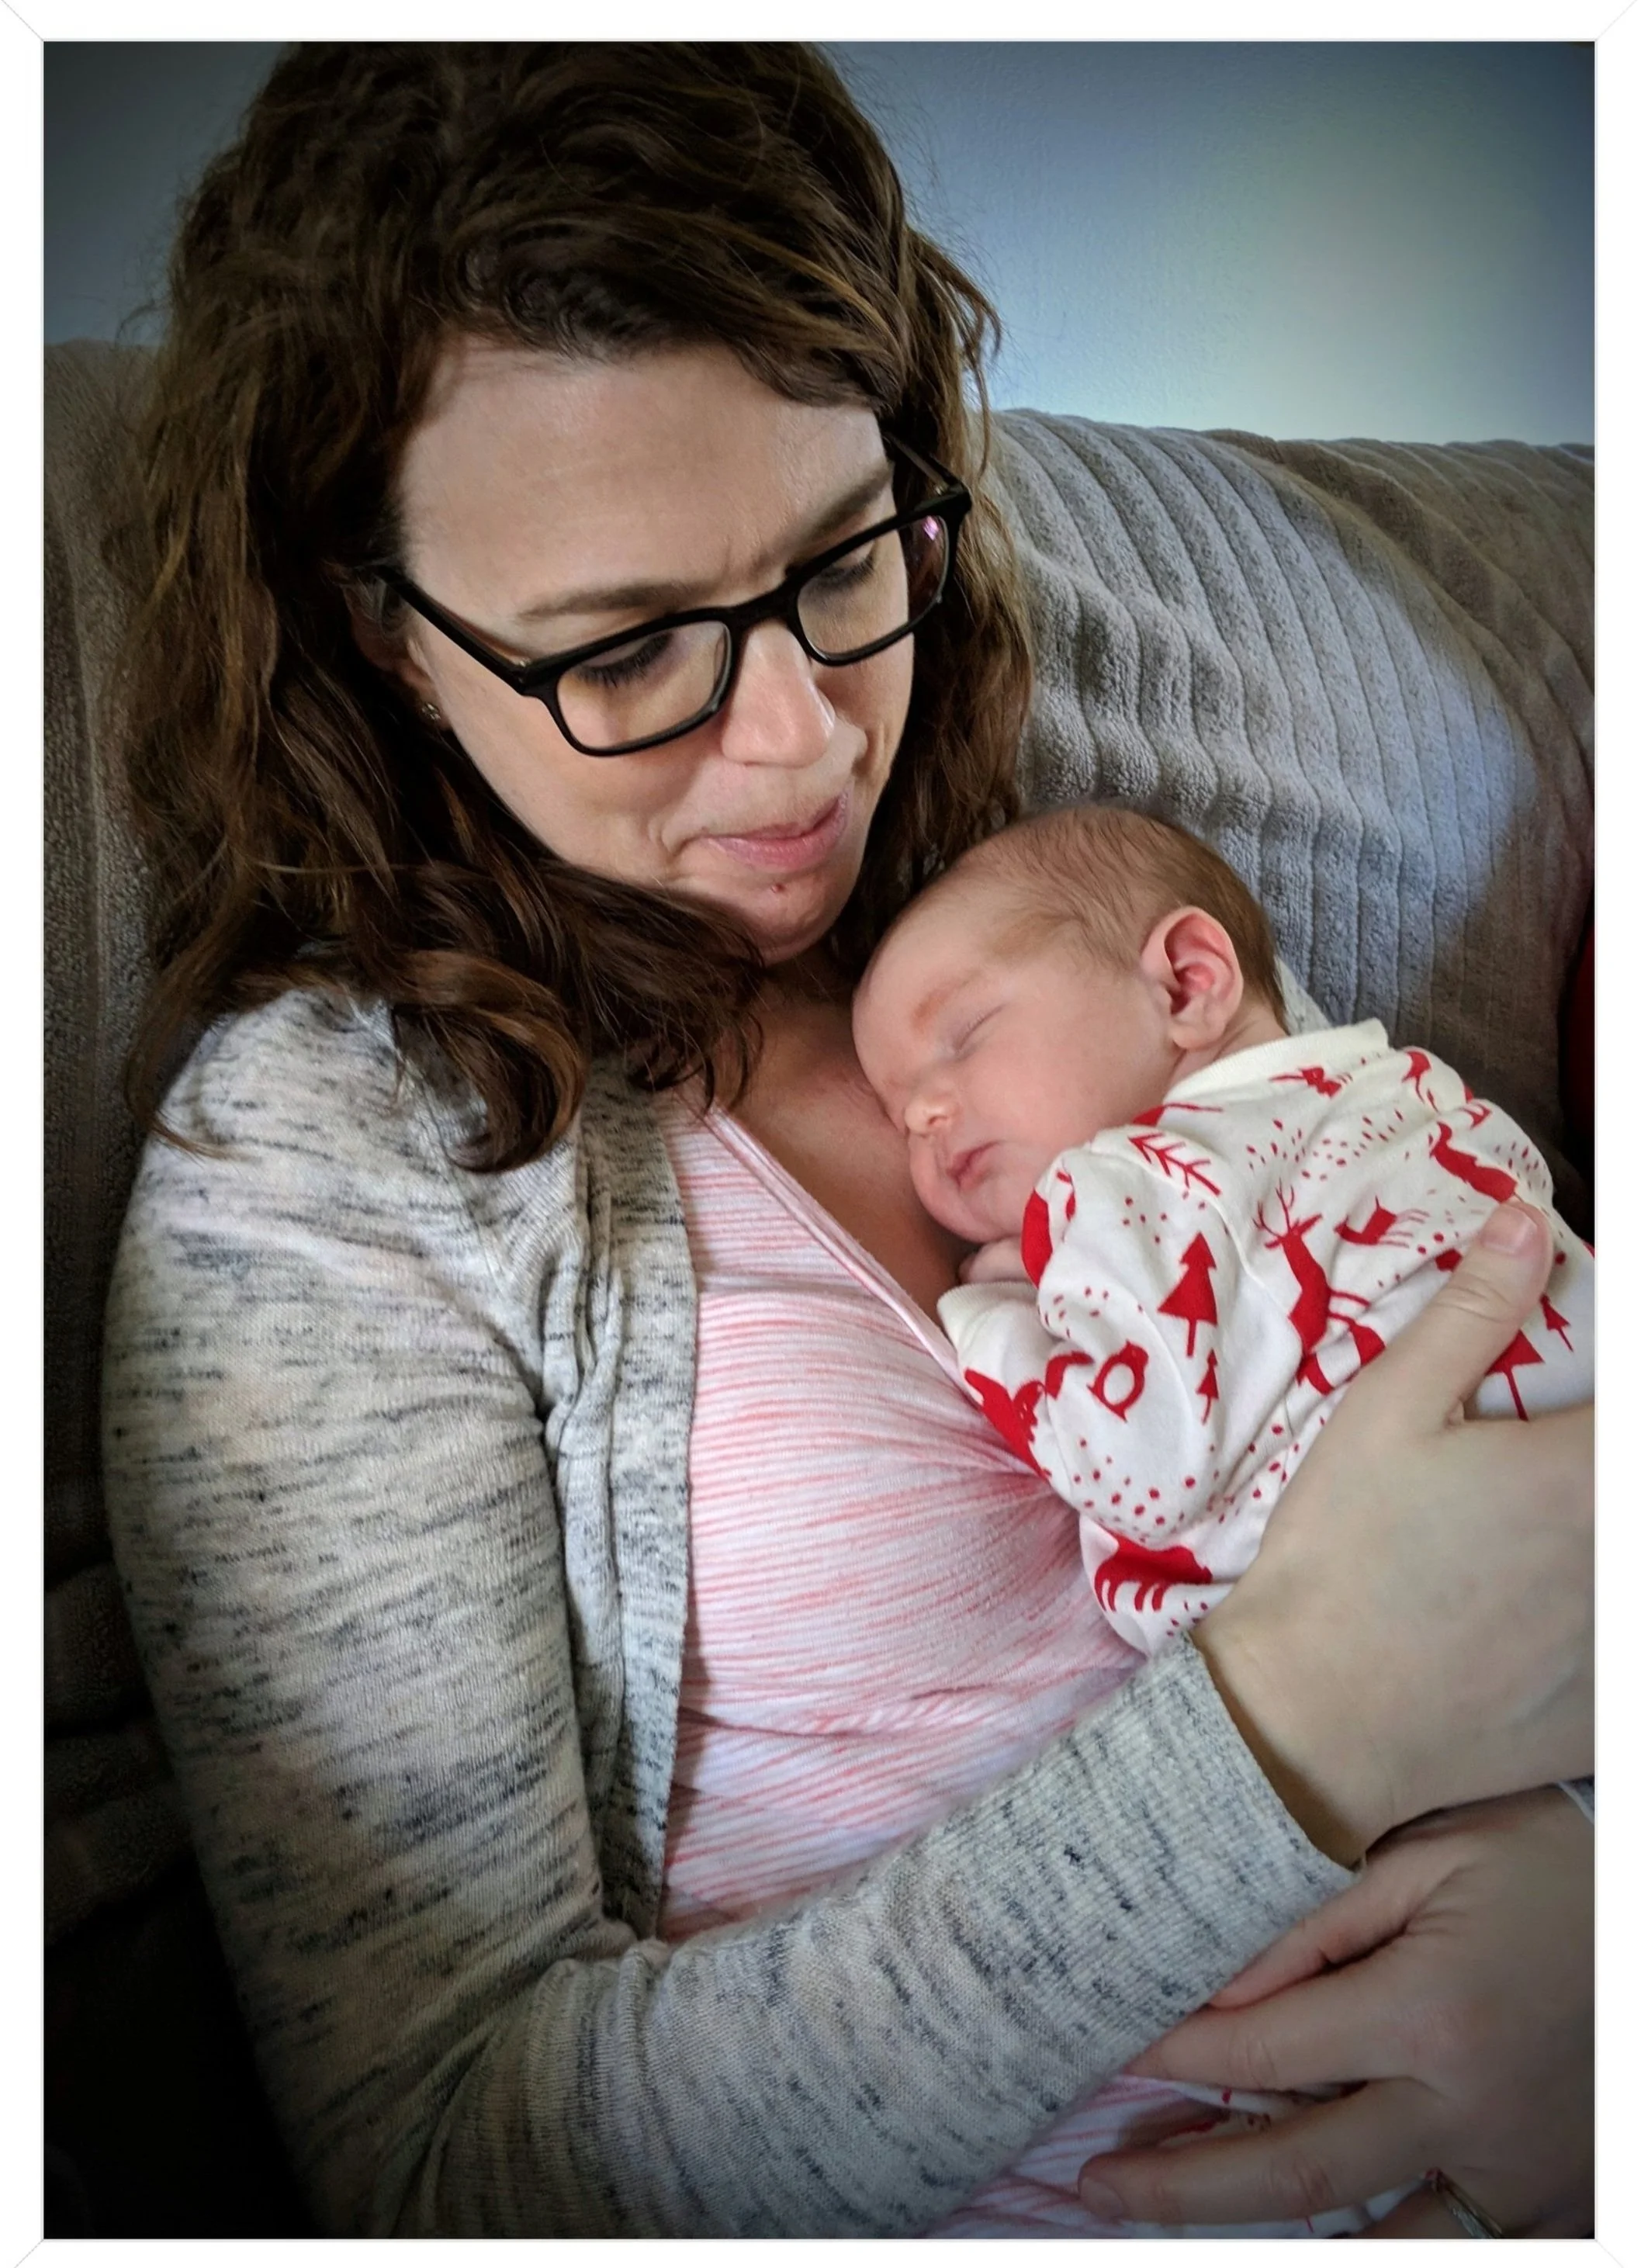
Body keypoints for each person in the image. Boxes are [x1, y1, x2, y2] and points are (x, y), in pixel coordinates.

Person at [99, 43, 1592, 2239]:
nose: (801, 746)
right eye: (623, 654)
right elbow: (452, 2162)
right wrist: (1312, 1722)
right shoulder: (326, 1176)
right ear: (381, 643)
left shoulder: (1057, 929)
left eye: (837, 564)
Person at [853, 803, 1594, 1650]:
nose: (924, 1111)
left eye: (965, 1033)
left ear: (1187, 983)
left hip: (1458, 1612)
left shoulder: (1125, 1179)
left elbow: (1144, 1466)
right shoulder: (1396, 1082)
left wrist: (989, 1323)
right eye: (898, 1111)